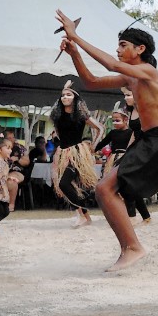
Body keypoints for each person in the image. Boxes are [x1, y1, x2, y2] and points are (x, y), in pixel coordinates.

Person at [57, 9, 158, 272]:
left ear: (140, 49)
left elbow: (111, 65)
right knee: (106, 190)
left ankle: (133, 247)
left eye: (123, 45)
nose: (118, 50)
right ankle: (130, 248)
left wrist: (76, 37)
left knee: (104, 189)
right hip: (149, 139)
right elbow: (90, 82)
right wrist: (75, 54)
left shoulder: (148, 71)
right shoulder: (131, 77)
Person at [48, 80, 103, 227]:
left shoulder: (81, 115)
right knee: (68, 186)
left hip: (77, 154)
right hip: (63, 153)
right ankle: (86, 216)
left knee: (64, 184)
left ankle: (80, 215)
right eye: (63, 95)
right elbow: (58, 134)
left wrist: (93, 146)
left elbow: (100, 128)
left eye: (68, 95)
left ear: (76, 98)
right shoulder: (57, 116)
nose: (64, 97)